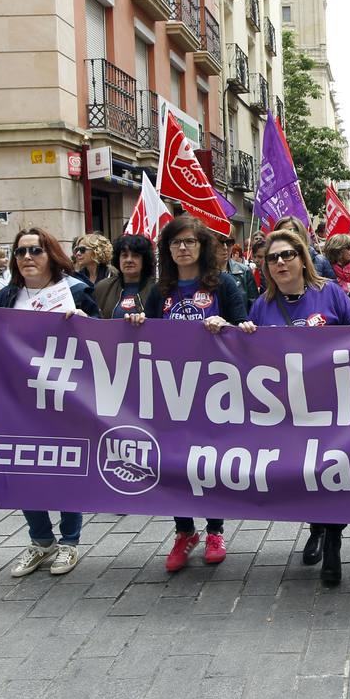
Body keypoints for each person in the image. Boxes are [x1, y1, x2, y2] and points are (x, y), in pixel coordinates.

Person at [236, 229, 350, 585]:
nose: (280, 262)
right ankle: (316, 528)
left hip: (332, 404)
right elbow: (251, 357)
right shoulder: (262, 306)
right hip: (289, 410)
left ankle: (334, 542)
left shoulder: (328, 293)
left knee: (331, 470)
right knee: (305, 472)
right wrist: (244, 333)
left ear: (301, 258)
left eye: (287, 255)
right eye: (273, 258)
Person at [0, 227, 99, 578]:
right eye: (21, 251)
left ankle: (69, 541)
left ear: (51, 254)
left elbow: (106, 339)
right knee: (23, 466)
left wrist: (89, 324)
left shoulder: (76, 292)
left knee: (67, 468)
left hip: (67, 398)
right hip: (19, 401)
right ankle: (41, 540)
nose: (27, 258)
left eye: (36, 251)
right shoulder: (6, 296)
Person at [131, 215, 248, 572]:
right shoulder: (159, 291)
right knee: (175, 462)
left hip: (215, 390)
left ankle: (215, 530)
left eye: (190, 242)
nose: (183, 248)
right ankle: (184, 531)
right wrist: (138, 325)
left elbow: (246, 330)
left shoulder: (224, 285)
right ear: (167, 250)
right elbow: (146, 335)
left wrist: (226, 326)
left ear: (202, 247)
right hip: (170, 392)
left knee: (208, 461)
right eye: (176, 243)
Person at [93, 234, 156, 319]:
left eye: (135, 255)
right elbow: (93, 319)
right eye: (124, 255)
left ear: (144, 260)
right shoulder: (102, 288)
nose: (129, 260)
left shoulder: (157, 289)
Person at [214, 232, 257, 307]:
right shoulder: (200, 273)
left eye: (229, 242)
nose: (225, 247)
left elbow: (254, 307)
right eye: (220, 242)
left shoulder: (245, 271)